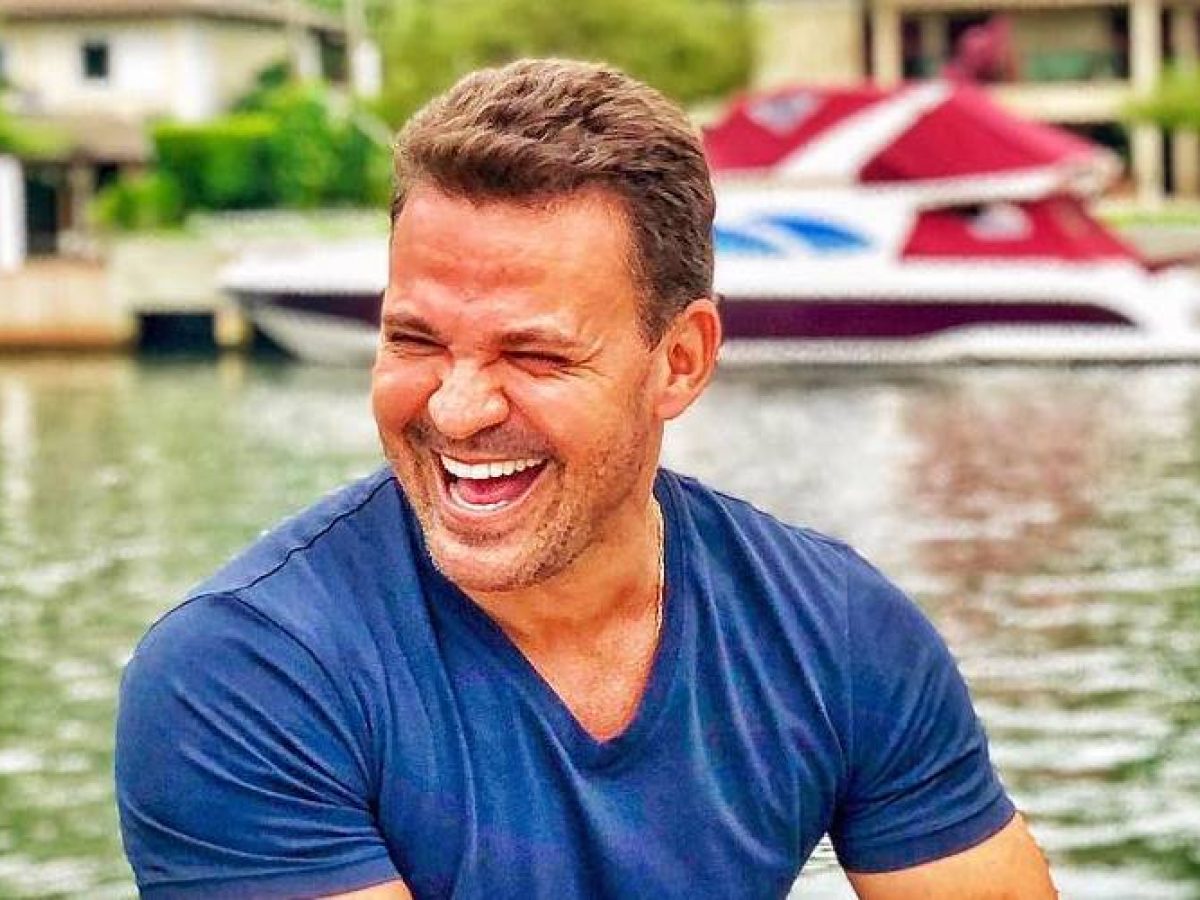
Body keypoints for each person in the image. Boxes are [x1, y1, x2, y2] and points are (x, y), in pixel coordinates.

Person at [115, 59, 1057, 899]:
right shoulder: (243, 675)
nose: (457, 409)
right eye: (415, 341)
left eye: (534, 355)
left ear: (680, 361)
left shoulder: (836, 631)